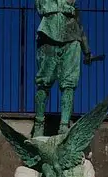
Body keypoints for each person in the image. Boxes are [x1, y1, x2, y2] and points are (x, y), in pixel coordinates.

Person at [32, 0, 102, 137]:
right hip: (48, 35)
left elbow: (79, 27)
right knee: (43, 82)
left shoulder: (74, 9)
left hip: (71, 39)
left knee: (69, 84)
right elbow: (40, 7)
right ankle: (39, 123)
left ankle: (64, 126)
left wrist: (87, 51)